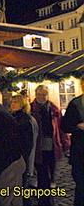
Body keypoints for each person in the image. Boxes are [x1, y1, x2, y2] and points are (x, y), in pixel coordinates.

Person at [30, 84, 70, 206]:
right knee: (43, 175)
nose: (41, 97)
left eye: (44, 95)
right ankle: (44, 201)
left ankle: (47, 198)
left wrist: (66, 145)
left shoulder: (54, 109)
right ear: (36, 95)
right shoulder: (31, 109)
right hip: (38, 148)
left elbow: (61, 128)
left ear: (47, 95)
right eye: (39, 95)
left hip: (53, 146)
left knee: (51, 175)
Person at [60, 75, 84, 206]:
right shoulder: (75, 104)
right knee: (80, 185)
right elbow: (64, 126)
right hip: (79, 152)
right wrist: (77, 126)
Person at [10, 94, 37, 205]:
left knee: (22, 186)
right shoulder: (14, 117)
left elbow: (28, 142)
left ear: (22, 104)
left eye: (15, 102)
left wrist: (22, 156)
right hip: (18, 156)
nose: (12, 104)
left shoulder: (25, 120)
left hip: (21, 157)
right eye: (12, 102)